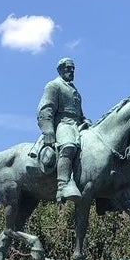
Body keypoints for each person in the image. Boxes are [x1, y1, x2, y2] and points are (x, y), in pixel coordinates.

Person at [37, 57, 88, 201]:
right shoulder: (53, 86)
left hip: (78, 124)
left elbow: (80, 113)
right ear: (60, 70)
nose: (71, 71)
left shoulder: (74, 90)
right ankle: (63, 185)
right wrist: (48, 130)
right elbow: (45, 109)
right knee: (69, 146)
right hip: (63, 124)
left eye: (73, 68)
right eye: (68, 68)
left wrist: (85, 120)